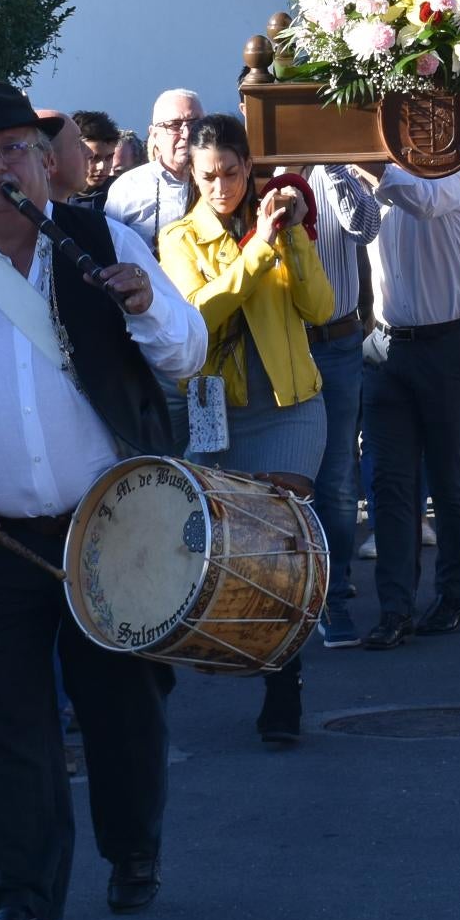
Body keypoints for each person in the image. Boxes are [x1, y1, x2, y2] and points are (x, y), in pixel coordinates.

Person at [0, 82, 207, 920]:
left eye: (14, 150)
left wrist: (147, 305)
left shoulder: (104, 242)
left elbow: (187, 354)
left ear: (47, 164)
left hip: (111, 529)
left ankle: (134, 850)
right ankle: (22, 895)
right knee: (9, 725)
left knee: (122, 708)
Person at [160, 116, 333, 745]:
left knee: (281, 543)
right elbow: (198, 314)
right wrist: (258, 246)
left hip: (289, 405)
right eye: (207, 176)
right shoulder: (179, 237)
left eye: (231, 173)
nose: (220, 187)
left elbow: (321, 308)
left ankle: (283, 685)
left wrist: (295, 238)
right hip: (218, 405)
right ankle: (181, 659)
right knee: (210, 542)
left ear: (248, 166)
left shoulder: (279, 221)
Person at [318, 155, 460, 647]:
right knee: (390, 484)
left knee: (449, 477)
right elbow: (354, 221)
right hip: (385, 346)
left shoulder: (451, 172)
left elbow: (423, 202)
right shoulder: (373, 176)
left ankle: (454, 594)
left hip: (448, 345)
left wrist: (369, 163)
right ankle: (395, 609)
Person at [305, 161, 379, 647]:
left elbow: (366, 226)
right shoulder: (254, 169)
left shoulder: (332, 168)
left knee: (335, 475)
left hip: (335, 343)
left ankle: (333, 595)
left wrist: (332, 166)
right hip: (274, 344)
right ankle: (291, 586)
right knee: (282, 474)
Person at [103, 90, 203, 252]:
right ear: (154, 134)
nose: (187, 133)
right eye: (174, 125)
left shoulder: (221, 181)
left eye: (195, 123)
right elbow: (111, 250)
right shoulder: (128, 187)